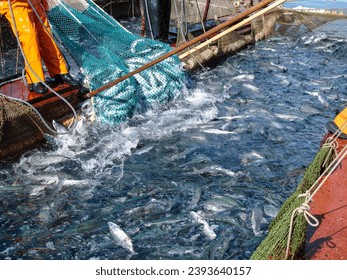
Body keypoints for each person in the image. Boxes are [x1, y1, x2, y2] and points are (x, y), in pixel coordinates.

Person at [0, 0, 79, 94]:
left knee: (46, 35)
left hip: (35, 2)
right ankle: (35, 79)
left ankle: (59, 72)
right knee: (29, 37)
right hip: (16, 4)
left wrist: (44, 4)